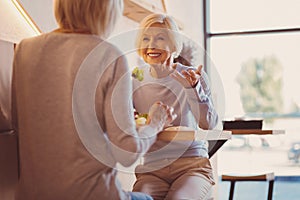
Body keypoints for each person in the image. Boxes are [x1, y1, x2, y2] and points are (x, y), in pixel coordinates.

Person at [11, 1, 176, 200]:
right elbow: (128, 152)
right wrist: (155, 123)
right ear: (108, 9)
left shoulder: (24, 49)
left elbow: (18, 126)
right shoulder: (109, 55)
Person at [131, 13, 219, 200]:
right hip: (152, 169)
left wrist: (194, 89)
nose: (151, 44)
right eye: (146, 38)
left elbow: (209, 124)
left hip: (191, 166)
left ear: (173, 44)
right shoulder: (134, 79)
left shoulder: (192, 76)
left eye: (160, 37)